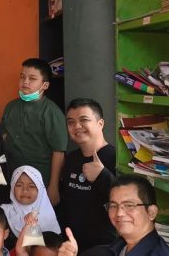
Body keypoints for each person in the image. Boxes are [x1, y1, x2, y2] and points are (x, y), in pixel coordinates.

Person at [56, 175, 169, 256]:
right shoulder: (109, 250)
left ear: (151, 212)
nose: (119, 213)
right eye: (113, 206)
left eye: (129, 205)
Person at [2, 58, 67, 205]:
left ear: (45, 85)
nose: (25, 82)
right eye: (22, 77)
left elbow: (59, 151)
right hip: (12, 174)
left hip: (40, 178)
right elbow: (3, 137)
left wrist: (54, 185)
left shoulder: (51, 112)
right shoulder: (11, 107)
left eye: (32, 78)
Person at [58, 98, 117, 251]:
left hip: (106, 248)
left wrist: (102, 176)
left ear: (100, 123)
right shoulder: (71, 159)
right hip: (73, 246)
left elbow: (128, 203)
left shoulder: (116, 158)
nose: (77, 126)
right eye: (71, 122)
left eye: (84, 120)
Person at [1, 166, 61, 250]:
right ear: (12, 188)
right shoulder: (4, 213)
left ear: (40, 190)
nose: (25, 190)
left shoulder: (48, 216)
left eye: (32, 186)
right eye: (19, 185)